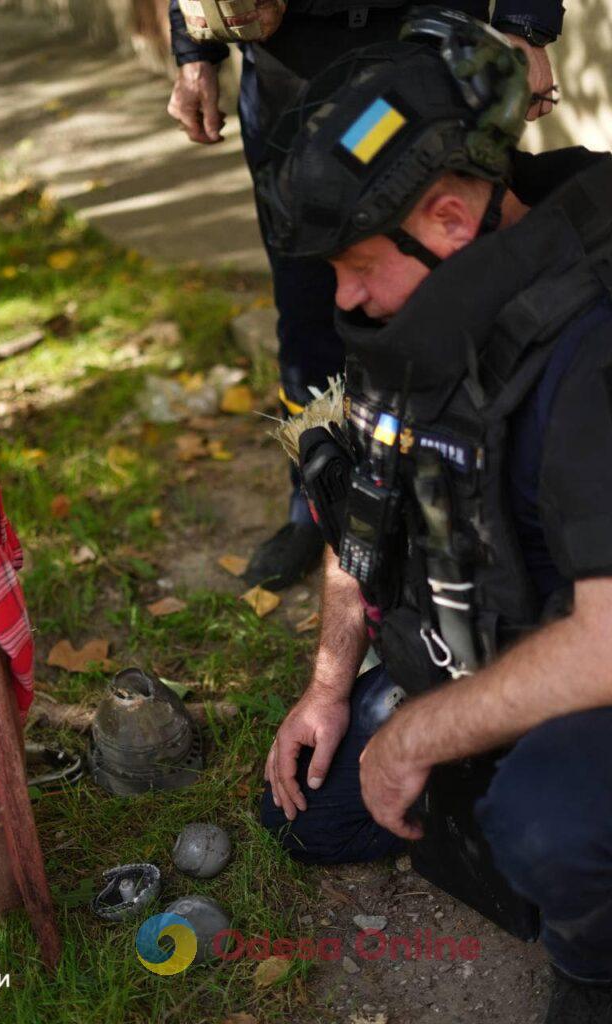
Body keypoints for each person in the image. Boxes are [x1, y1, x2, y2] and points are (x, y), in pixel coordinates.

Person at [255, 13, 612, 1023]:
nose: (343, 295)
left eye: (352, 262)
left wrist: (413, 735)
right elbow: (367, 494)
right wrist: (330, 688)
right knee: (308, 813)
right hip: (512, 638)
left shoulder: (589, 344)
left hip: (594, 648)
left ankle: (592, 970)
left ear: (451, 217)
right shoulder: (425, 308)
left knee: (547, 824)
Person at [166, 0, 563, 591]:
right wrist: (195, 50)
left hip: (428, 48)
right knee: (311, 304)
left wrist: (524, 26)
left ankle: (501, 506)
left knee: (468, 282)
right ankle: (319, 508)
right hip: (289, 63)